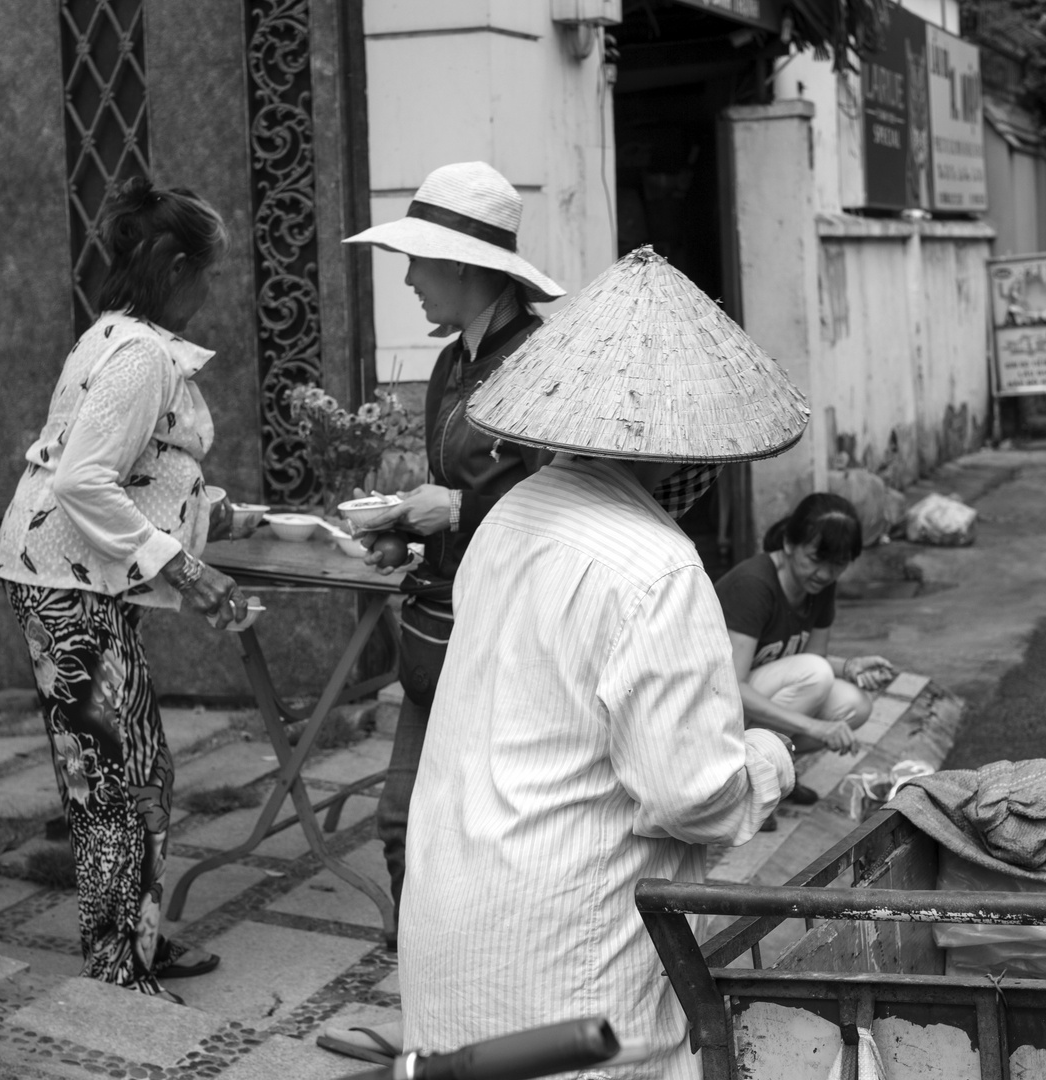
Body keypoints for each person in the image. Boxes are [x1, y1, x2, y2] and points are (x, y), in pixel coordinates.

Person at [398, 246, 810, 1080]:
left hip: (448, 937)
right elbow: (689, 793)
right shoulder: (655, 565)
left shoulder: (509, 514)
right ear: (691, 454)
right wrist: (770, 762)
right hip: (565, 974)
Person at [315, 162, 565, 1064]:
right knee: (402, 824)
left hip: (503, 644)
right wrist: (407, 536)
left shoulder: (538, 364)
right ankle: (432, 1014)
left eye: (418, 261)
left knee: (479, 842)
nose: (410, 278)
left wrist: (452, 513)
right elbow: (457, 492)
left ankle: (476, 1019)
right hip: (437, 625)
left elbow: (563, 506)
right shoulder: (450, 361)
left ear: (463, 268)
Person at [0, 177, 247, 1002]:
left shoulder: (118, 335)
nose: (210, 292)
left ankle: (132, 939)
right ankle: (116, 970)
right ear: (174, 268)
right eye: (206, 274)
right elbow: (83, 482)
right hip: (67, 586)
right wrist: (185, 567)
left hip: (74, 581)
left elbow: (136, 475)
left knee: (134, 769)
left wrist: (215, 521)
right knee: (113, 777)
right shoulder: (139, 354)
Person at [713, 494, 896, 806]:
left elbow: (811, 658)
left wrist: (851, 667)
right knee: (816, 677)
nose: (825, 574)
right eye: (815, 559)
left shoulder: (818, 586)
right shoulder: (753, 585)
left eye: (837, 564)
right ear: (788, 543)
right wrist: (817, 727)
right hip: (712, 708)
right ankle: (749, 783)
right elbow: (732, 686)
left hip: (748, 700)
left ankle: (776, 772)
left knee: (855, 704)